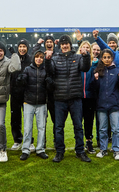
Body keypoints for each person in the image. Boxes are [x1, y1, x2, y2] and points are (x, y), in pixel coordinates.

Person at [45, 34, 91, 163]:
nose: (65, 46)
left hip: (75, 98)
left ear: (70, 45)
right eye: (63, 44)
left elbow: (85, 68)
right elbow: (50, 71)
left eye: (67, 44)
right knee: (59, 127)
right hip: (59, 98)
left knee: (78, 126)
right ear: (60, 46)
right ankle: (60, 152)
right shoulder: (54, 58)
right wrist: (47, 60)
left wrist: (86, 56)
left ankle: (80, 151)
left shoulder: (77, 57)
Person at [91, 49, 119, 160]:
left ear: (112, 58)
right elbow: (94, 89)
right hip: (101, 104)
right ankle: (103, 149)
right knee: (102, 129)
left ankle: (116, 151)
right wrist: (95, 80)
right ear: (101, 59)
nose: (107, 59)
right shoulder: (98, 71)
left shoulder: (117, 71)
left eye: (109, 57)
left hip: (114, 105)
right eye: (105, 57)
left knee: (116, 129)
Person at [17, 50, 53, 160]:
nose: (39, 59)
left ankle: (40, 149)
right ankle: (25, 149)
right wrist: (20, 79)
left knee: (41, 127)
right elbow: (22, 83)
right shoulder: (27, 69)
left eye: (41, 57)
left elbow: (50, 87)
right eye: (37, 57)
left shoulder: (46, 70)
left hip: (42, 103)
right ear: (34, 58)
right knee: (28, 128)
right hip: (28, 102)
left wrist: (50, 82)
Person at [9, 39, 34, 151]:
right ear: (18, 48)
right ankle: (17, 140)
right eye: (20, 46)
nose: (22, 48)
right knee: (15, 118)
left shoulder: (30, 60)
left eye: (24, 46)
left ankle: (29, 141)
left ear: (27, 48)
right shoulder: (13, 59)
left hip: (27, 93)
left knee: (28, 119)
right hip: (15, 94)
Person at [32, 36, 56, 144]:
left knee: (57, 121)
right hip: (43, 93)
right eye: (47, 42)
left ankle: (57, 141)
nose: (49, 43)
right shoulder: (41, 55)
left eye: (51, 42)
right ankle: (43, 142)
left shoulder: (57, 55)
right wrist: (37, 45)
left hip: (55, 94)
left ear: (54, 44)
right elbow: (34, 56)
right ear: (45, 44)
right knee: (42, 122)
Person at [76, 38, 98, 154]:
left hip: (90, 97)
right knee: (78, 122)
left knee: (89, 121)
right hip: (78, 97)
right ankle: (78, 143)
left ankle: (89, 142)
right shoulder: (76, 63)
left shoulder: (95, 64)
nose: (85, 49)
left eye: (87, 47)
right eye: (83, 47)